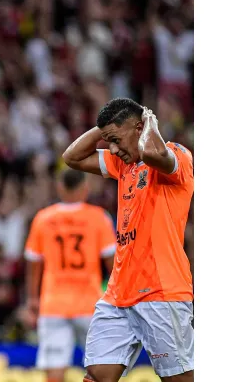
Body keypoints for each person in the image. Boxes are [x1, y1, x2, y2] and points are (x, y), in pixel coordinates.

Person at [62, 98, 194, 382]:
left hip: (161, 292)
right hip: (118, 295)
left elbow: (150, 152)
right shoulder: (124, 164)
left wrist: (149, 123)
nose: (111, 149)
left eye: (116, 140)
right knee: (97, 376)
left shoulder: (177, 156)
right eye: (108, 141)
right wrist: (105, 129)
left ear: (139, 128)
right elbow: (71, 157)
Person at [23, 168, 116, 382]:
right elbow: (113, 264)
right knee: (100, 369)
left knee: (55, 371)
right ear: (85, 188)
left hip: (54, 304)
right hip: (91, 304)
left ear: (59, 187)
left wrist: (32, 298)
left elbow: (33, 261)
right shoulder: (98, 218)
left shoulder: (44, 218)